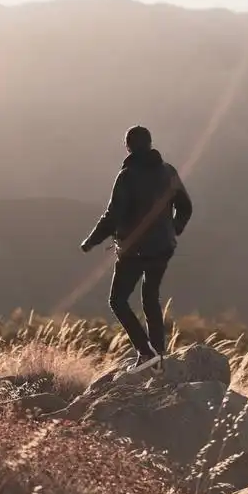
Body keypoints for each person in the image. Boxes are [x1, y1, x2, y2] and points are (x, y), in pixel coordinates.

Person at [80, 126, 193, 372]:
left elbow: (112, 216)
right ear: (151, 144)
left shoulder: (128, 175)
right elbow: (186, 207)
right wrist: (173, 230)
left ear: (128, 146)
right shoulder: (168, 171)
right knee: (150, 297)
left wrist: (91, 241)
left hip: (135, 251)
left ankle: (145, 352)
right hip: (163, 249)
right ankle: (159, 356)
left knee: (118, 301)